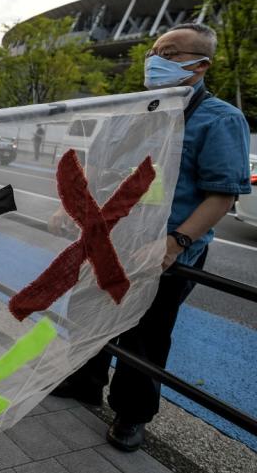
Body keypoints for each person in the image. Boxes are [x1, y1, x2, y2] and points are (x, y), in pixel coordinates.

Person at [49, 23, 251, 452]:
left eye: (171, 52)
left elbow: (222, 195)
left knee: (148, 332)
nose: (155, 59)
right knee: (88, 311)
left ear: (200, 65)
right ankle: (84, 380)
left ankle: (131, 414)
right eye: (154, 50)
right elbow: (100, 171)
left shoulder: (220, 118)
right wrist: (74, 210)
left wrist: (175, 242)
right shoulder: (135, 110)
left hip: (164, 250)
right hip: (111, 240)